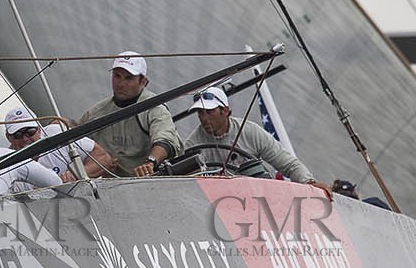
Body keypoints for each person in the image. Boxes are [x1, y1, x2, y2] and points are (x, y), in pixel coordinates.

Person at [183, 86, 330, 193]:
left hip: (257, 197)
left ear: (225, 110)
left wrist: (309, 182)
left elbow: (287, 163)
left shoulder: (251, 132)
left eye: (209, 112)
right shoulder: (192, 146)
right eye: (200, 113)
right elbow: (186, 186)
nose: (204, 118)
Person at [77, 51, 182, 178]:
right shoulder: (96, 112)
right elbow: (76, 140)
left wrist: (150, 163)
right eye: (117, 76)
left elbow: (166, 141)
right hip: (104, 187)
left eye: (128, 78)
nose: (120, 84)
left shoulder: (154, 108)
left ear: (143, 81)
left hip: (148, 183)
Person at [2, 107, 111, 182]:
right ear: (8, 138)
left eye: (30, 131)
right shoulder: (6, 165)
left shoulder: (57, 134)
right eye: (18, 134)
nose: (25, 138)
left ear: (39, 130)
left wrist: (78, 174)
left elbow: (103, 157)